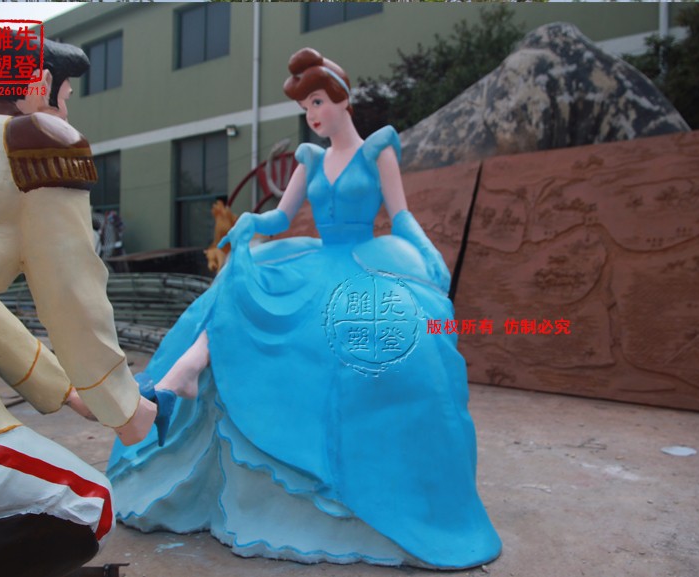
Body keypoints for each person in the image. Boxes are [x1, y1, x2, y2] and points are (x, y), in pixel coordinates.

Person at [108, 47, 501, 569]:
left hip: (364, 260)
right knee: (239, 281)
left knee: (391, 352)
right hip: (314, 257)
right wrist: (250, 223)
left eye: (317, 101)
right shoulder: (310, 158)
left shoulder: (378, 149)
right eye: (305, 107)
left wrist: (427, 253)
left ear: (341, 99)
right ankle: (188, 369)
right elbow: (281, 217)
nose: (312, 114)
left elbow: (400, 214)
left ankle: (356, 482)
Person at [0, 35, 156, 577]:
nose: (66, 112)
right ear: (39, 85)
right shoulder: (35, 143)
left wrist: (69, 392)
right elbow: (73, 297)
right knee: (88, 505)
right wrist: (126, 409)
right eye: (64, 97)